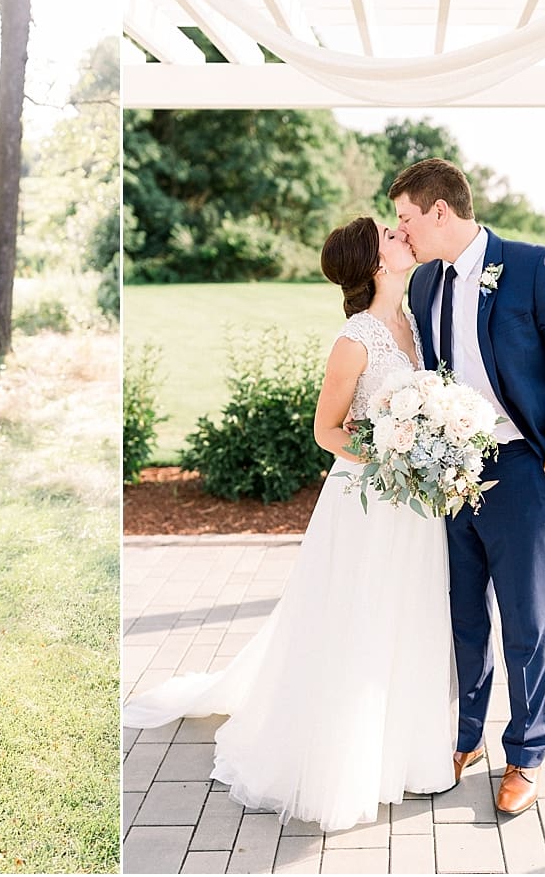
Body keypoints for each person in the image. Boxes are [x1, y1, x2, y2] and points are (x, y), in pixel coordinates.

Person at [123, 217, 456, 830]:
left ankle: (405, 753)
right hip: (369, 502)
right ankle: (341, 759)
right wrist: (395, 453)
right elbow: (325, 431)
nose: (401, 233)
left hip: (414, 506)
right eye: (389, 233)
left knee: (409, 615)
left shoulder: (415, 322)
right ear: (376, 263)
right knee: (358, 617)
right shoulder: (355, 339)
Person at [392, 158, 545, 815]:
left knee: (525, 624)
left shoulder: (533, 266)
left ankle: (526, 754)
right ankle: (466, 738)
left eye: (405, 218)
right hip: (450, 474)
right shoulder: (425, 284)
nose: (401, 232)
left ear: (439, 211)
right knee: (461, 619)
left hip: (522, 472)